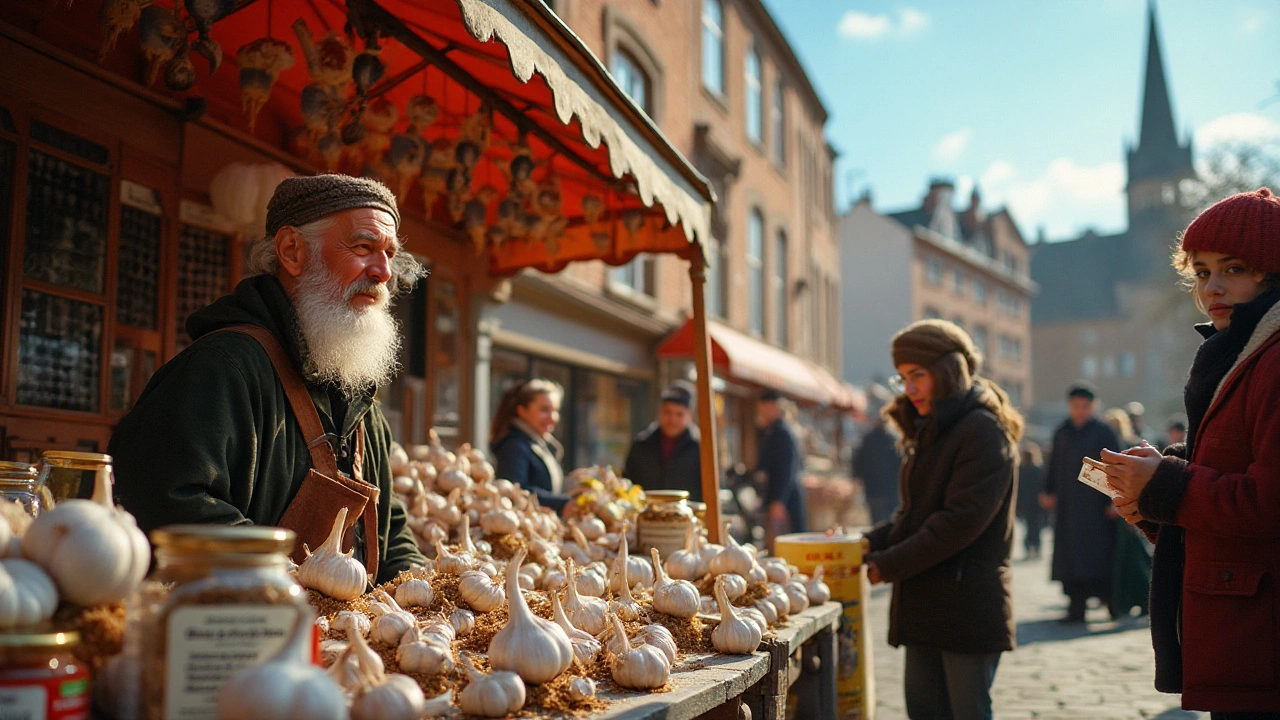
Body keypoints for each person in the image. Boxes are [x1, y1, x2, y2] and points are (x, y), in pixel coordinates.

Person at [109, 174, 427, 583]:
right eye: (364, 247)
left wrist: (422, 594)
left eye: (389, 252)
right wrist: (294, 592)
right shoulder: (221, 368)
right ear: (292, 251)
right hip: (239, 633)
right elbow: (166, 503)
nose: (384, 272)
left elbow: (390, 528)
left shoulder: (360, 398)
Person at [1108, 188, 1280, 717]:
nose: (1214, 286)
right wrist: (1150, 500)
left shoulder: (1272, 360)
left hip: (1261, 644)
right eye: (1202, 272)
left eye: (1234, 268)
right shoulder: (1234, 351)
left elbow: (1266, 503)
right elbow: (1224, 488)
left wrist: (1167, 485)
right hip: (1241, 639)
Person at [863, 319, 1022, 720]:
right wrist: (868, 543)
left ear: (948, 371)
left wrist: (887, 564)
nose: (909, 388)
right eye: (903, 378)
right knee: (924, 711)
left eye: (918, 375)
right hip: (927, 603)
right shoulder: (931, 428)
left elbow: (957, 523)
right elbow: (915, 514)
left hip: (966, 606)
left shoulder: (982, 431)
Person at [1040, 382, 1122, 622]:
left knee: (1099, 555)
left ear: (1093, 406)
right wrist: (1047, 490)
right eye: (1076, 406)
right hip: (1068, 505)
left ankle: (1111, 602)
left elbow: (1116, 466)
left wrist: (1115, 499)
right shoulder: (1061, 432)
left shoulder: (1104, 432)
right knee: (1070, 556)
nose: (1080, 410)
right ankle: (1076, 607)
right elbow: (1053, 464)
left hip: (1097, 506)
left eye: (1085, 406)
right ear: (1069, 406)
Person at [490, 378, 570, 513]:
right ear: (522, 411)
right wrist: (563, 503)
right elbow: (516, 490)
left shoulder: (536, 442)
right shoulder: (514, 445)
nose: (553, 418)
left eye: (555, 410)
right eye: (544, 410)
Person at [623, 383, 702, 500]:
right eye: (667, 412)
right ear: (660, 412)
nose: (672, 420)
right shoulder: (641, 444)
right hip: (647, 515)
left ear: (689, 416)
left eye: (679, 414)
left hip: (688, 515)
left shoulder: (700, 447)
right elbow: (627, 484)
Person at [755, 389, 806, 545]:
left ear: (773, 406)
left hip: (785, 499)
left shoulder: (782, 432)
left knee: (787, 546)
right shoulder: (773, 430)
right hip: (780, 497)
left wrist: (779, 500)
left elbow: (786, 469)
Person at [853, 386, 902, 525]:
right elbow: (901, 464)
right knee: (891, 524)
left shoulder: (868, 439)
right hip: (890, 490)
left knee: (877, 523)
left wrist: (858, 476)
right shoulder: (893, 439)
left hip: (874, 490)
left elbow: (857, 462)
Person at [1015, 442, 1047, 560]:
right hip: (1033, 503)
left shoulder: (1028, 469)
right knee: (1033, 527)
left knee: (1032, 526)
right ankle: (1033, 547)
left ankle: (1032, 547)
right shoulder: (1034, 469)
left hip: (1032, 502)